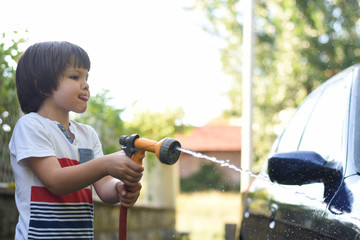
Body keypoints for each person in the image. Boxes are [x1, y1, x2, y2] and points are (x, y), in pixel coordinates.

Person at [9, 41, 144, 240]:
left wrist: (118, 188)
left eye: (86, 77)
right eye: (75, 76)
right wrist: (106, 163)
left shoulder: (87, 135)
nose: (86, 84)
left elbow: (104, 188)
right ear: (42, 85)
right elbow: (55, 181)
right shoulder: (30, 126)